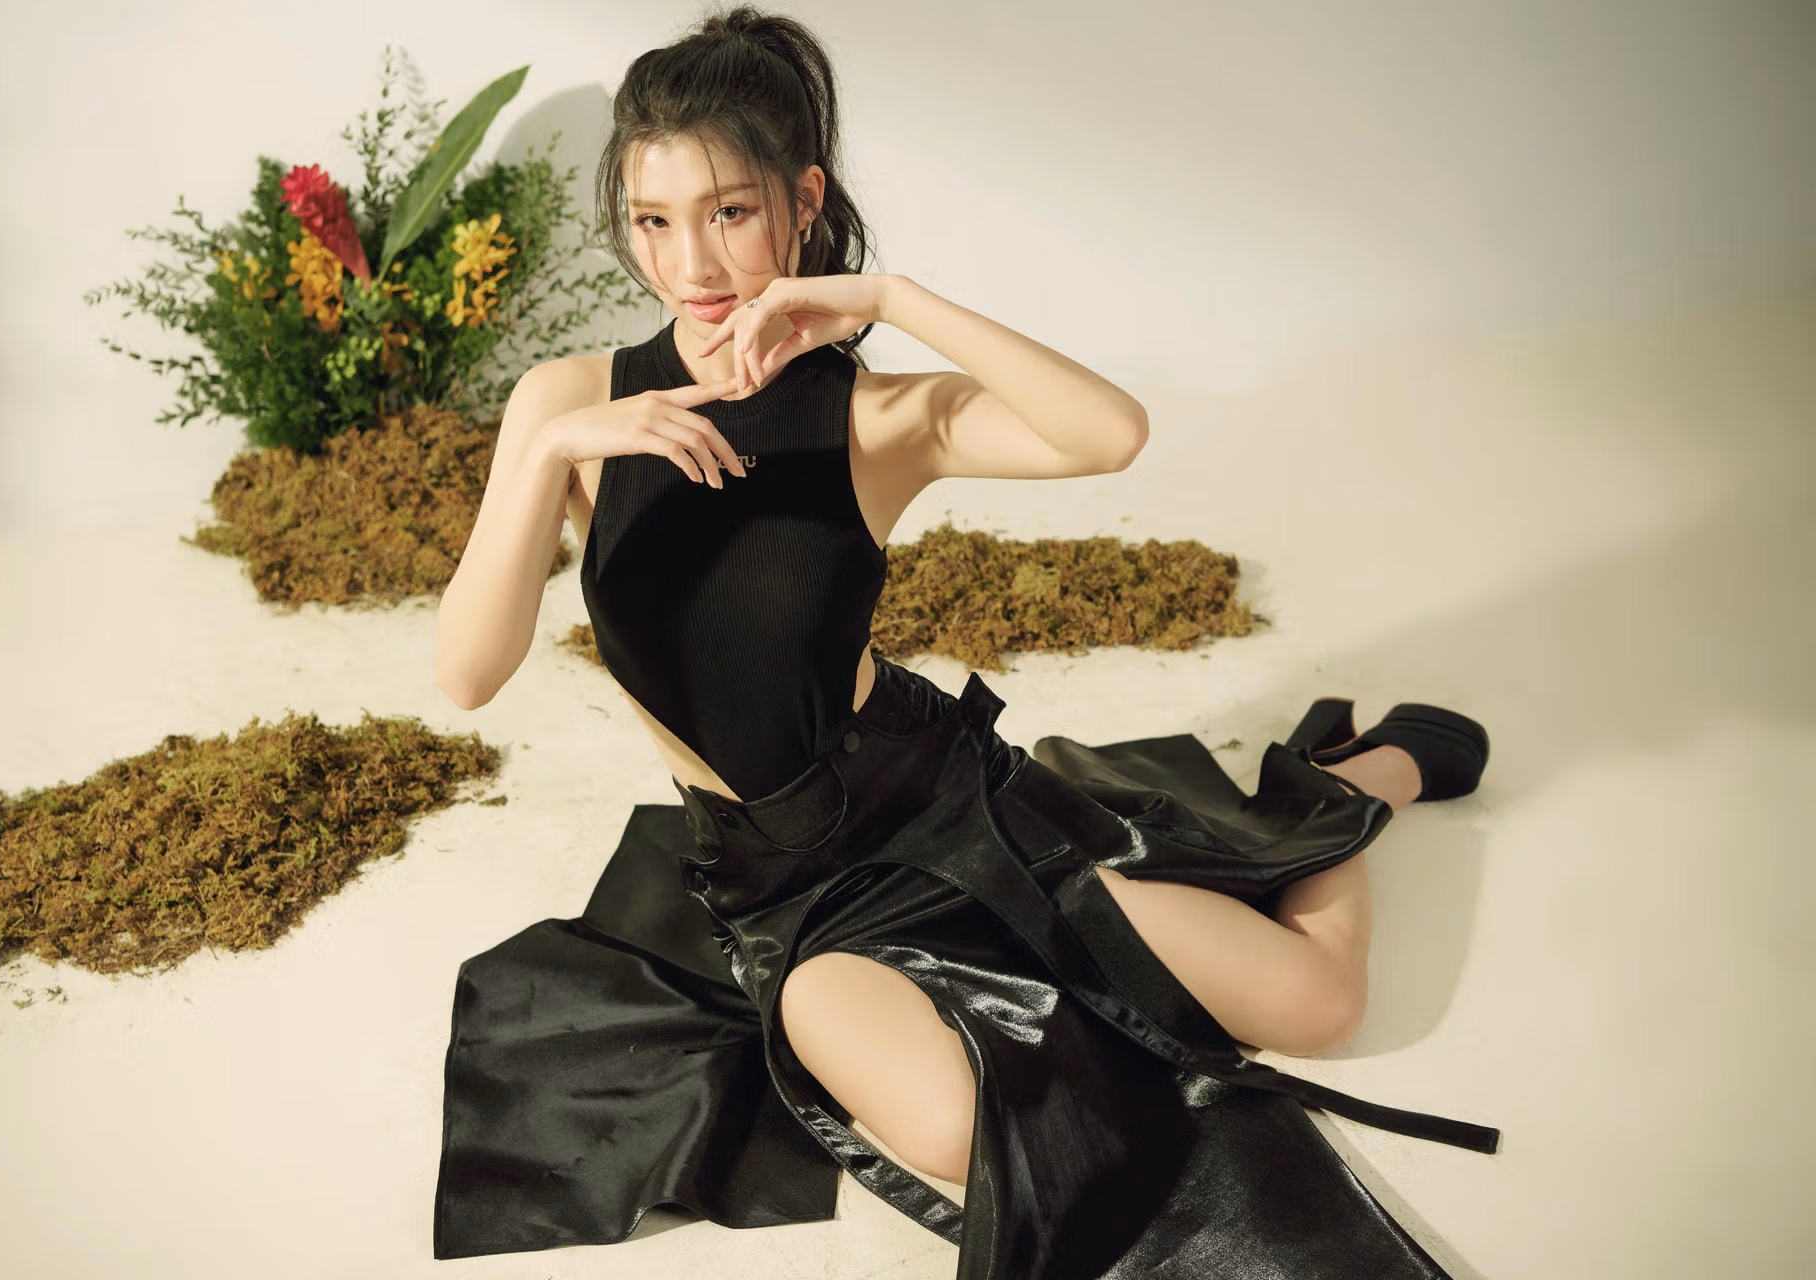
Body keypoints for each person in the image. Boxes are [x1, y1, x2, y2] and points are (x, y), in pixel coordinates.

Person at [430, 7, 1499, 1277]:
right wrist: (550, 453)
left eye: (731, 212)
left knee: (1321, 1004)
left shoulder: (874, 419)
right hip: (788, 888)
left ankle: (1348, 776)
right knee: (968, 1127)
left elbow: (1111, 434)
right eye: (654, 221)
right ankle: (1195, 888)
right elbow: (469, 673)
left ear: (803, 202)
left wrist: (895, 298)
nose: (692, 264)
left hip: (950, 803)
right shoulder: (568, 404)